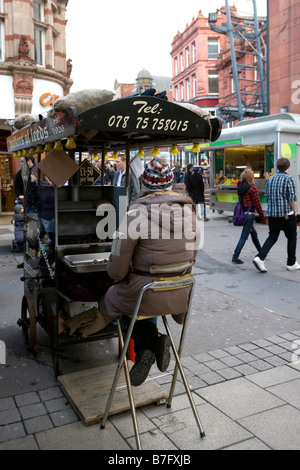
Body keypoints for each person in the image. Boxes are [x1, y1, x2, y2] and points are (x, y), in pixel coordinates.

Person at [103, 155, 200, 386]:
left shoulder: (134, 214)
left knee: (112, 301)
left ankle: (151, 344)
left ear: (144, 185)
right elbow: (192, 258)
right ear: (170, 184)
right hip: (180, 293)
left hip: (145, 293)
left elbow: (116, 272)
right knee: (145, 301)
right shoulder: (192, 214)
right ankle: (152, 343)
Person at [253, 158, 299, 272]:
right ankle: (291, 262)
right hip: (286, 214)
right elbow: (292, 198)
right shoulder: (289, 179)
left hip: (273, 215)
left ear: (277, 167)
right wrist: (295, 211)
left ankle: (260, 257)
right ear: (288, 167)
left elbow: (267, 197)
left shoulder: (271, 179)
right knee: (292, 237)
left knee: (273, 236)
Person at [232, 169, 265, 264]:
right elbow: (257, 204)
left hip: (243, 213)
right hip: (250, 215)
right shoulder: (252, 188)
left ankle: (262, 252)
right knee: (244, 237)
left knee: (254, 234)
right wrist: (262, 217)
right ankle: (235, 256)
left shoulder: (240, 186)